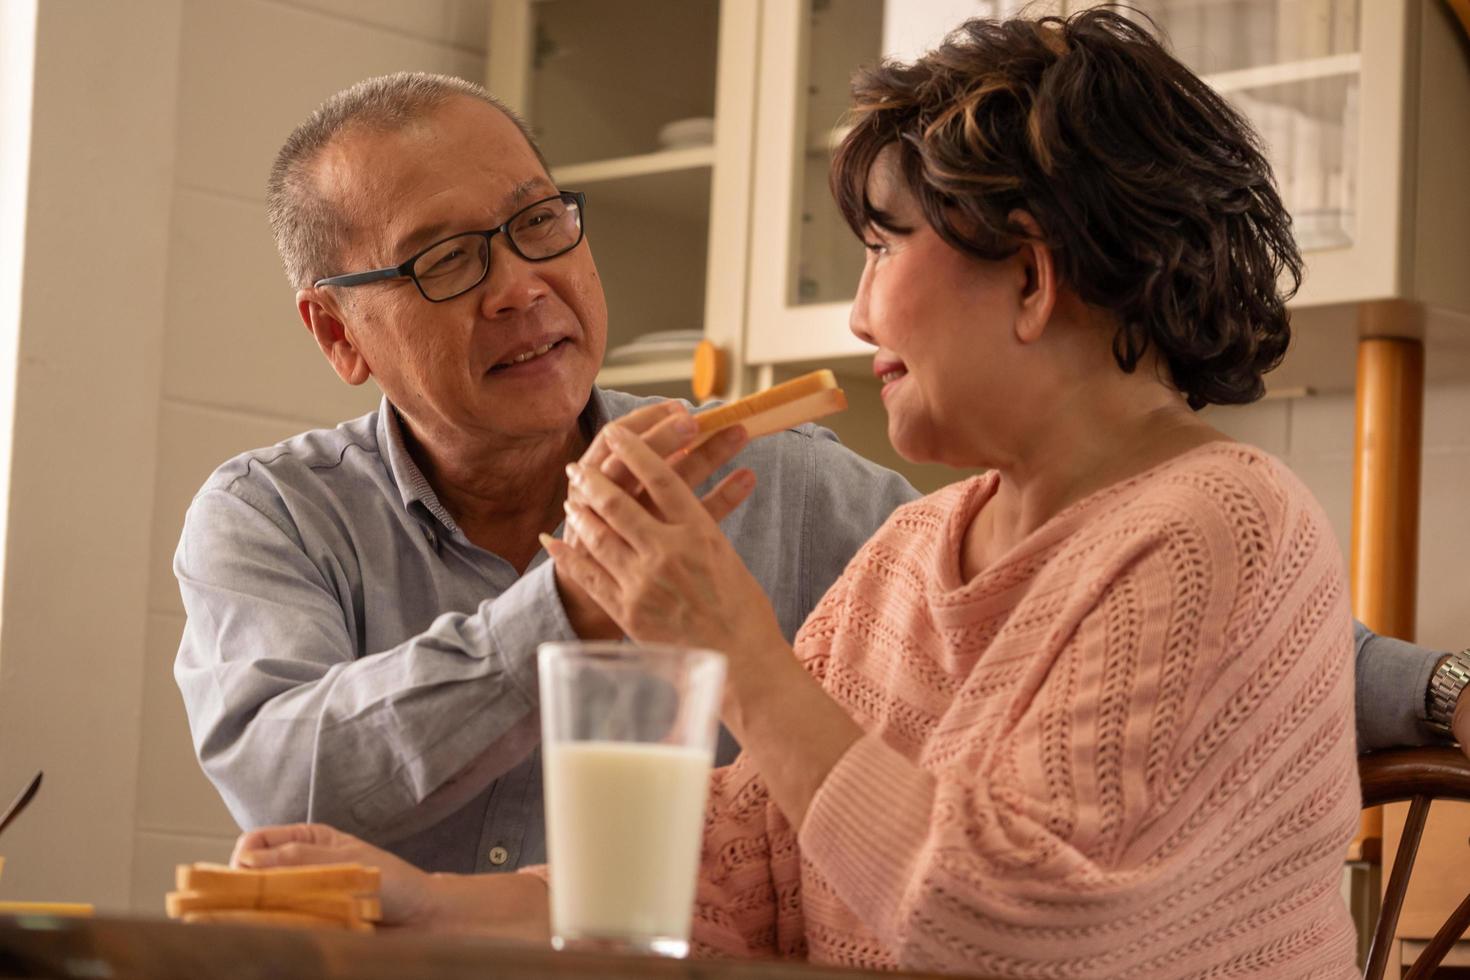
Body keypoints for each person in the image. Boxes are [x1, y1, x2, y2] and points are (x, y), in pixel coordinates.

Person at [230, 11, 1462, 977]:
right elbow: (727, 872)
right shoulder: (916, 546)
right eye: (451, 260)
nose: (859, 311)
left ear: (1030, 278)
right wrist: (432, 902)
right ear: (338, 333)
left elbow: (1016, 933)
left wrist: (736, 651)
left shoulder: (1218, 525)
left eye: (882, 250)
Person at [172, 71, 916, 875]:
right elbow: (284, 786)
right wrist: (562, 611)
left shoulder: (791, 487)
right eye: (446, 259)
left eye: (537, 221)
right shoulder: (273, 515)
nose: (520, 286)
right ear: (337, 332)